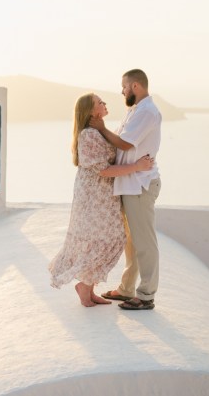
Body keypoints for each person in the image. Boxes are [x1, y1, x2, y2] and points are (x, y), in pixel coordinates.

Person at [48, 93, 154, 307]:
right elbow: (104, 170)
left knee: (108, 238)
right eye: (100, 102)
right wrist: (137, 167)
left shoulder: (98, 132)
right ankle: (84, 287)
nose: (104, 104)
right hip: (94, 196)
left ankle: (89, 287)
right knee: (102, 239)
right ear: (90, 111)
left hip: (104, 195)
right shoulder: (88, 135)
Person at [90, 68, 162, 311]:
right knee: (132, 242)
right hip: (130, 184)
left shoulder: (147, 112)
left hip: (140, 185)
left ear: (135, 86)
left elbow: (124, 143)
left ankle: (146, 295)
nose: (121, 91)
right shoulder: (136, 111)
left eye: (124, 86)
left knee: (144, 242)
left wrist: (100, 127)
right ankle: (126, 289)